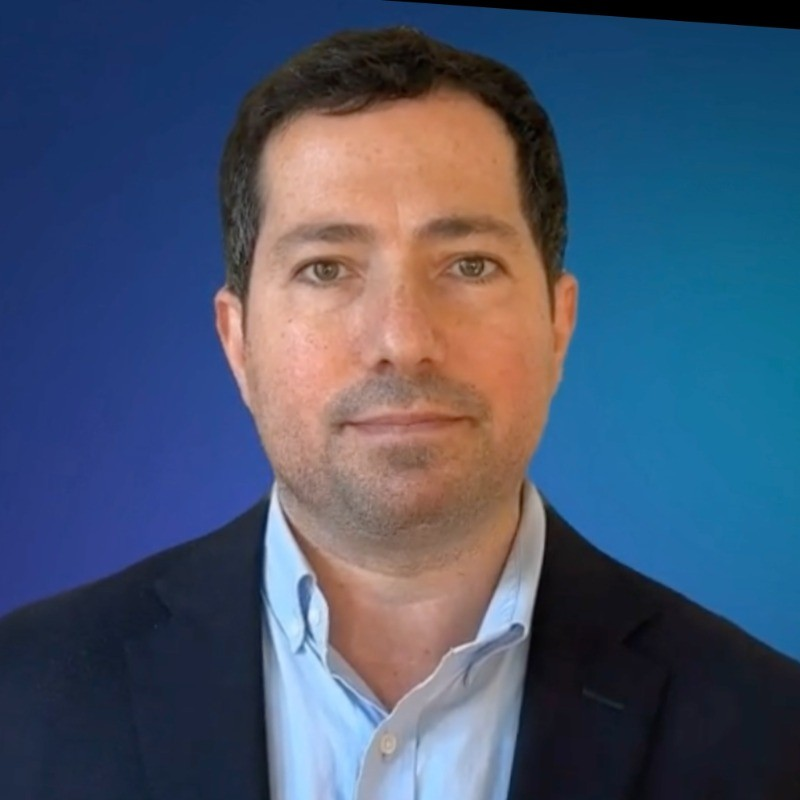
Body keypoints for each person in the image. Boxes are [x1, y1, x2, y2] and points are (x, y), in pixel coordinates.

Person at [1, 24, 798, 800]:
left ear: (558, 325)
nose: (403, 340)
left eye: (469, 265)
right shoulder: (22, 699)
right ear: (237, 340)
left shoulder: (773, 735)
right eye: (326, 269)